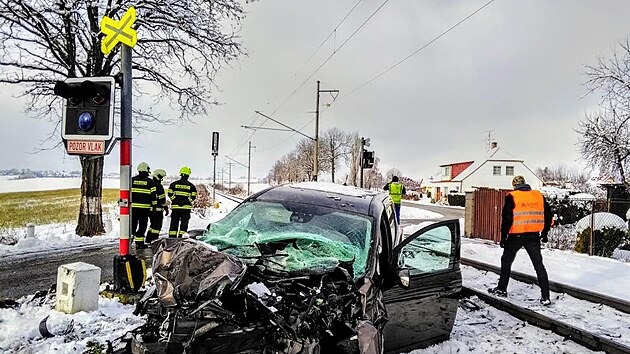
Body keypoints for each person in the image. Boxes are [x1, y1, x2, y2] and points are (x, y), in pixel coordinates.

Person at [489, 175, 553, 306]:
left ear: (514, 185)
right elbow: (548, 215)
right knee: (538, 265)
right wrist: (545, 233)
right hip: (533, 236)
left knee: (506, 261)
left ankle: (502, 288)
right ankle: (545, 296)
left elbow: (507, 219)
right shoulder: (538, 196)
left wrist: (503, 237)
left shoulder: (512, 196)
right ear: (525, 183)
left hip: (515, 237)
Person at [131, 162, 157, 249]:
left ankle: (128, 242)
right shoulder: (150, 182)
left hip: (133, 208)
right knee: (142, 226)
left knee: (132, 225)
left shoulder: (132, 180)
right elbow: (153, 196)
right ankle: (139, 244)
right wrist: (154, 206)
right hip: (144, 209)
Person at [167, 166, 197, 237]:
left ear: (181, 174)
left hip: (176, 207)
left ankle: (171, 238)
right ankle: (181, 239)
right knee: (184, 224)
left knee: (174, 223)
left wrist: (175, 200)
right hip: (186, 208)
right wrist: (186, 201)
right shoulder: (191, 186)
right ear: (188, 175)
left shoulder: (174, 184)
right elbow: (193, 196)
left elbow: (170, 193)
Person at [146, 169, 168, 244]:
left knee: (152, 225)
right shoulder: (158, 186)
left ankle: (148, 239)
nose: (162, 178)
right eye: (161, 176)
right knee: (157, 226)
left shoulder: (149, 184)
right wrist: (166, 207)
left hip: (149, 209)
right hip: (157, 210)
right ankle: (154, 241)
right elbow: (162, 199)